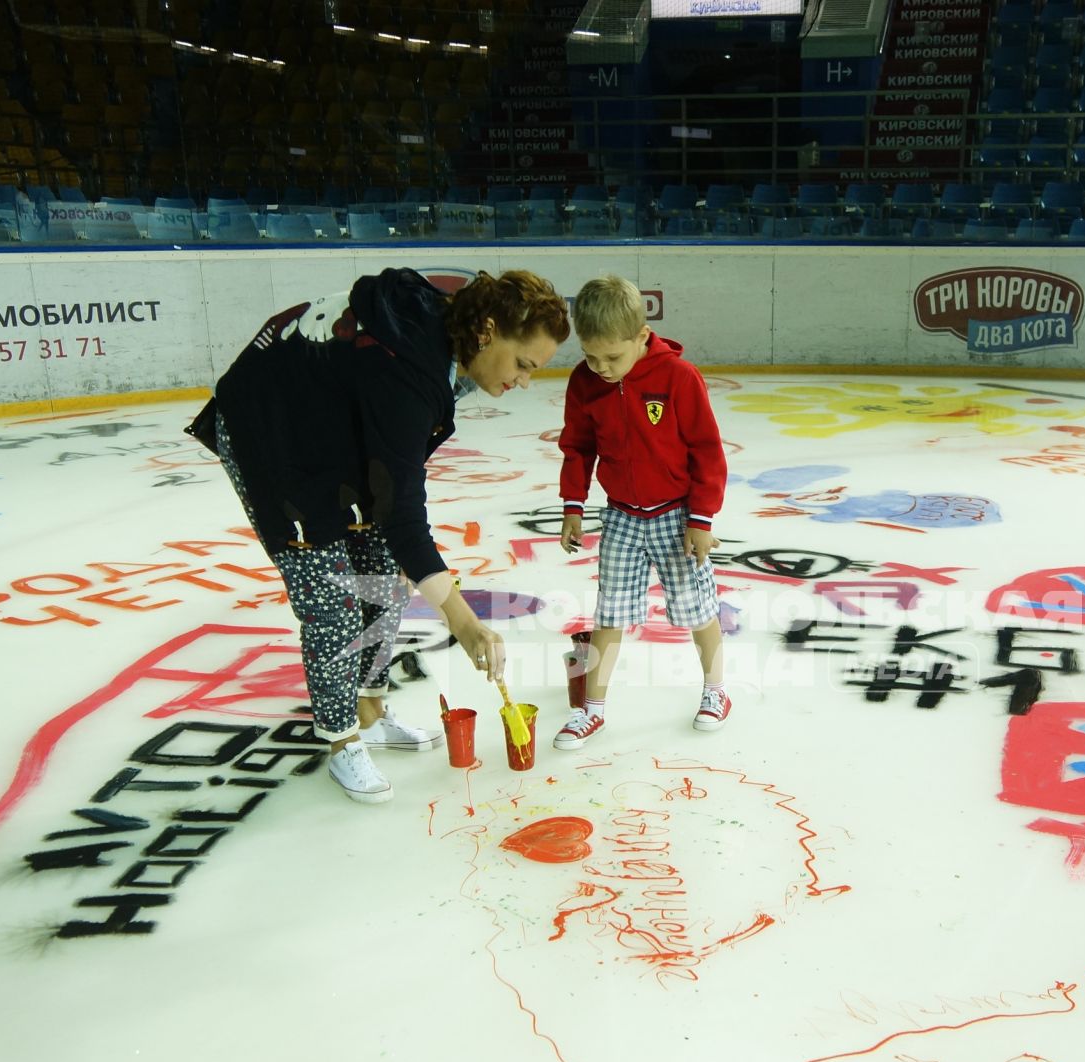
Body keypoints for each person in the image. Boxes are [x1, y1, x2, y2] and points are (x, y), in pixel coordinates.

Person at [189, 268, 570, 802]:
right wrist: (464, 623)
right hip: (271, 434)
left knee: (385, 578)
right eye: (524, 364)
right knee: (336, 600)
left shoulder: (446, 337)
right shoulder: (409, 372)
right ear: (487, 330)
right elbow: (405, 522)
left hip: (332, 429)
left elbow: (394, 512)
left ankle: (368, 710)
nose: (524, 380)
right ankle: (341, 739)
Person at [552, 274, 728, 750]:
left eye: (613, 357)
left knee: (698, 609)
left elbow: (707, 452)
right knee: (609, 613)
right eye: (590, 356)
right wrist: (573, 505)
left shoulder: (679, 378)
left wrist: (701, 518)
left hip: (677, 515)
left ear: (642, 337)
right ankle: (593, 711)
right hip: (622, 516)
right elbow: (578, 446)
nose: (601, 368)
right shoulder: (585, 383)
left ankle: (716, 691)